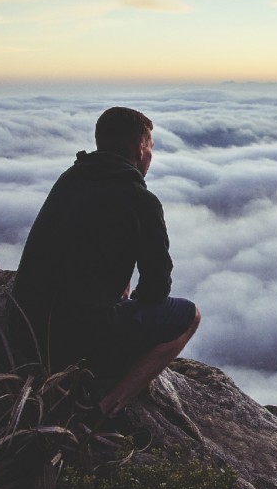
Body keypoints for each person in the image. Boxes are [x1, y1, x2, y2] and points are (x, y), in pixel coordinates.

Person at [11, 106, 200, 418]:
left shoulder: (70, 178)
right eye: (151, 146)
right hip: (73, 342)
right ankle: (103, 408)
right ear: (141, 149)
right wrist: (129, 307)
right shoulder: (141, 201)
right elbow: (156, 289)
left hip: (25, 331)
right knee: (189, 316)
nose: (151, 155)